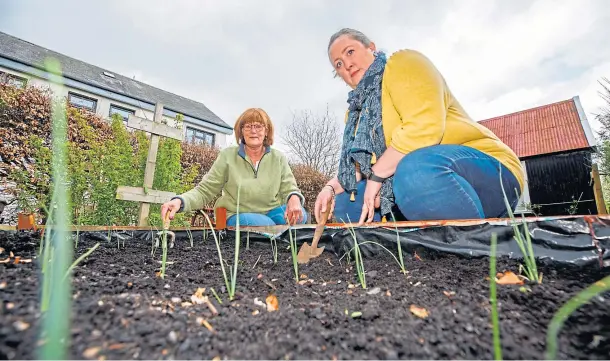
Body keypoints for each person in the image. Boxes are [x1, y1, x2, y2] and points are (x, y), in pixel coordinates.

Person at [314, 28, 524, 225]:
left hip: (484, 171)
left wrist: (377, 175)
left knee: (414, 171)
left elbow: (425, 129)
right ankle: (403, 250)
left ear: (371, 47)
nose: (347, 65)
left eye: (350, 52)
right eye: (338, 64)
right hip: (409, 188)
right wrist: (330, 188)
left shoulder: (402, 64)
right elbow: (359, 168)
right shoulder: (356, 115)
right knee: (345, 203)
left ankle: (473, 250)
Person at [161, 108, 308, 227]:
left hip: (269, 212)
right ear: (241, 131)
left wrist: (294, 198)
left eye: (258, 126)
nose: (253, 130)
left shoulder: (278, 158)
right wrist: (180, 201)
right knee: (265, 225)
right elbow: (205, 190)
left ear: (266, 131)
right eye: (248, 126)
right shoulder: (228, 156)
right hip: (235, 214)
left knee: (301, 215)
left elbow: (290, 188)